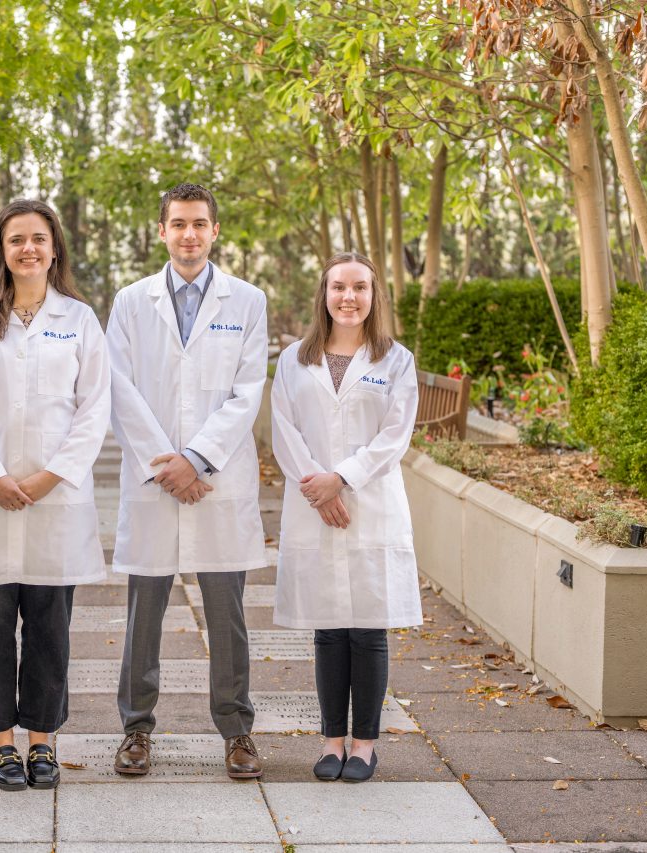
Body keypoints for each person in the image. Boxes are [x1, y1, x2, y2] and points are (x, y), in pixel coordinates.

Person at [0, 199, 110, 791]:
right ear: (2, 250)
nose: (29, 248)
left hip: (54, 499)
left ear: (54, 248)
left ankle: (42, 742)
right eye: (17, 240)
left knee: (48, 630)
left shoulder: (80, 319)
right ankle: (1, 746)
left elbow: (94, 410)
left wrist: (49, 477)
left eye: (39, 238)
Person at [106, 182, 269, 779]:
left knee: (226, 616)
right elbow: (118, 388)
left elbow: (247, 392)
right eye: (178, 223)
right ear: (162, 231)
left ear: (215, 231)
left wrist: (195, 460)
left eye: (199, 223)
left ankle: (237, 730)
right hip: (155, 484)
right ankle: (135, 730)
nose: (189, 234)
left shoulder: (247, 301)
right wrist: (165, 463)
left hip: (215, 483)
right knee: (142, 615)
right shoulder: (131, 302)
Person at [270, 251, 422, 783]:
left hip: (370, 503)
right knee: (330, 630)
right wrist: (320, 486)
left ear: (374, 296)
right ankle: (332, 741)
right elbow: (283, 430)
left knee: (368, 629)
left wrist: (344, 478)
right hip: (315, 503)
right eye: (339, 287)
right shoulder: (296, 358)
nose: (349, 297)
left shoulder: (395, 360)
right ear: (325, 294)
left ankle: (365, 745)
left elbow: (394, 436)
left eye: (360, 287)